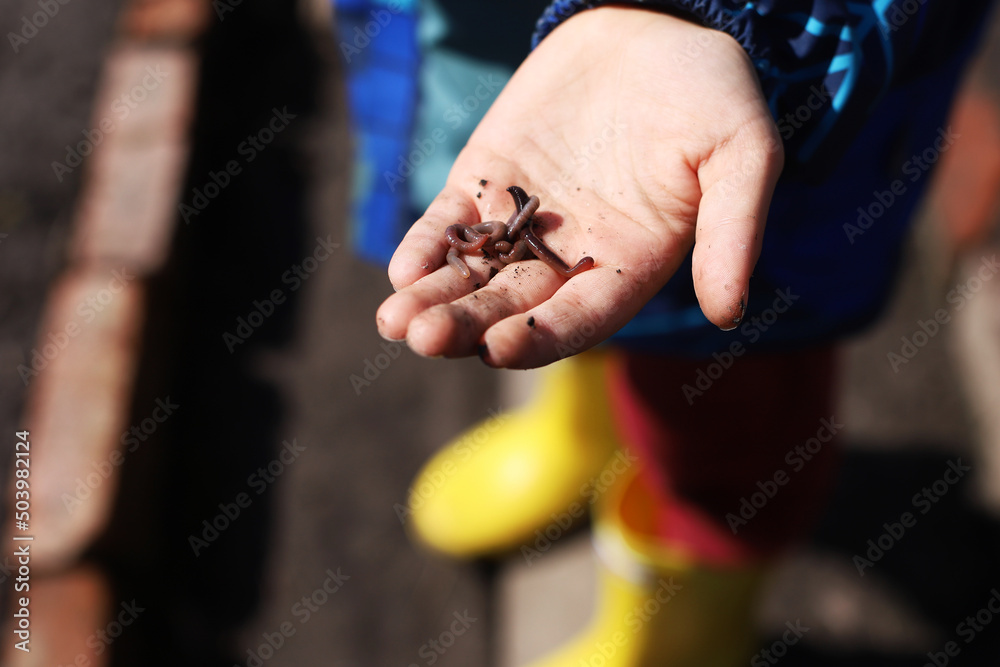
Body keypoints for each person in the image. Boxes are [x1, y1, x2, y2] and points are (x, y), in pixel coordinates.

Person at [343, 1, 995, 664]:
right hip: (514, 83)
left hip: (789, 165)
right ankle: (586, 436)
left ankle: (685, 633)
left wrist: (713, 16)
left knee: (729, 431)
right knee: (569, 315)